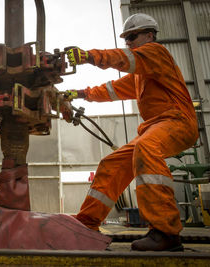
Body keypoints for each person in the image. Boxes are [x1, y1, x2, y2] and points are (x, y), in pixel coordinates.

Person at [64, 13, 198, 251]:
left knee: (146, 148)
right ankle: (86, 224)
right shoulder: (141, 76)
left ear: (150, 35)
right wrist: (80, 93)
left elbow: (124, 58)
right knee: (112, 164)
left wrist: (88, 56)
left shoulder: (157, 53)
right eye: (126, 38)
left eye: (132, 37)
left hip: (178, 120)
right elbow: (112, 89)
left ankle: (166, 232)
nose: (128, 42)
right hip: (156, 126)